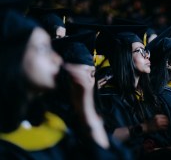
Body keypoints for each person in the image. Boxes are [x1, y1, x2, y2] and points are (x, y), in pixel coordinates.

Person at [0, 10, 132, 159]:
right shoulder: (7, 148)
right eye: (44, 48)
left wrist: (86, 109)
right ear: (12, 56)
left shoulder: (53, 125)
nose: (57, 59)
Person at [95, 24, 169, 159]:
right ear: (125, 56)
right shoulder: (108, 96)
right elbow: (105, 137)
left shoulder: (147, 94)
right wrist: (144, 127)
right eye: (140, 51)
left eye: (146, 51)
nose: (146, 56)